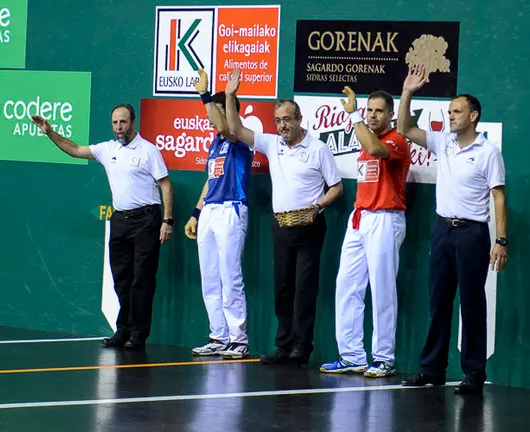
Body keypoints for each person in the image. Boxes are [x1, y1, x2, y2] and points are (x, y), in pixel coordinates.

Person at [396, 65, 507, 394]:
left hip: (472, 235)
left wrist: (500, 239)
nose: (450, 117)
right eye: (448, 111)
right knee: (438, 301)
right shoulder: (442, 142)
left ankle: (474, 373)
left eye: (457, 112)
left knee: (471, 304)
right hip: (442, 231)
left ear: (473, 116)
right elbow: (403, 127)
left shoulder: (488, 153)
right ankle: (432, 369)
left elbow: (498, 197)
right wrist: (407, 92)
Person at [224, 67, 344, 365]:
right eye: (278, 121)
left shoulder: (318, 149)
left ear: (299, 119)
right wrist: (229, 95)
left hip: (311, 226)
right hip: (281, 226)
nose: (282, 126)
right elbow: (236, 131)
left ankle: (302, 348)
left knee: (305, 289)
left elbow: (337, 187)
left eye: (287, 120)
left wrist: (317, 207)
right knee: (282, 288)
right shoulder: (271, 143)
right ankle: (283, 346)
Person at [31, 103, 174, 350]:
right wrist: (49, 132)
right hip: (120, 220)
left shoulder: (149, 151)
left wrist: (167, 221)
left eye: (123, 122)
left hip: (147, 220)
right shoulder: (107, 149)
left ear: (133, 122)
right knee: (121, 280)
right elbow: (75, 149)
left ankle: (138, 335)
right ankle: (123, 330)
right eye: (115, 123)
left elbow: (166, 186)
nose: (119, 127)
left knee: (142, 281)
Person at [319, 87, 410, 378]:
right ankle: (352, 355)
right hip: (359, 219)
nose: (372, 115)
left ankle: (384, 358)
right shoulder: (364, 139)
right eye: (369, 110)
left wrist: (354, 114)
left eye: (378, 111)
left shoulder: (396, 141)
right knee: (346, 286)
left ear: (391, 114)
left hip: (385, 219)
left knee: (382, 290)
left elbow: (375, 149)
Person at [185, 69, 252, 360]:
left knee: (230, 275)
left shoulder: (240, 138)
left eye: (220, 109)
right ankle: (218, 336)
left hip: (232, 209)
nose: (213, 116)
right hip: (210, 211)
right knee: (210, 277)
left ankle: (238, 339)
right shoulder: (214, 144)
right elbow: (209, 181)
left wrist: (205, 94)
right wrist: (195, 213)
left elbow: (226, 127)